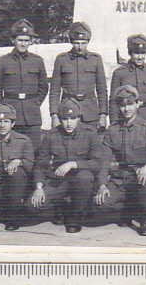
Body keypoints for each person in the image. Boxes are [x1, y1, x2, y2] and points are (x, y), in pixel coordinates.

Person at [94, 85, 146, 236]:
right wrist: (102, 185)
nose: (127, 109)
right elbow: (104, 161)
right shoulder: (112, 130)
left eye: (130, 104)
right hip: (121, 177)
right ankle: (127, 210)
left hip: (141, 175)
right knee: (101, 204)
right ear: (118, 106)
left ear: (137, 104)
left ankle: (145, 218)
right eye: (123, 105)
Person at [30, 98, 102, 233]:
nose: (69, 123)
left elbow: (97, 162)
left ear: (79, 118)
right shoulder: (52, 135)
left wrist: (73, 164)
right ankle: (60, 207)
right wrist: (39, 186)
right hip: (59, 181)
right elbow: (40, 165)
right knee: (32, 206)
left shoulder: (90, 133)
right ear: (60, 119)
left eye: (73, 118)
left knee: (84, 178)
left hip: (81, 180)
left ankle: (75, 216)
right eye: (65, 119)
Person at [0, 19, 48, 151]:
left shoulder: (37, 61)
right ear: (13, 40)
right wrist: (4, 108)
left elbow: (43, 87)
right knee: (11, 150)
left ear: (31, 41)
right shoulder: (3, 62)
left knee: (34, 150)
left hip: (32, 112)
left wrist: (35, 103)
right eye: (20, 40)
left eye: (26, 40)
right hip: (11, 111)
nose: (23, 44)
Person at [49, 22, 108, 131]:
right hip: (68, 109)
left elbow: (102, 90)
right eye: (77, 43)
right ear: (71, 42)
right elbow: (55, 90)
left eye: (83, 43)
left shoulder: (95, 59)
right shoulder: (62, 59)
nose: (80, 47)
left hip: (90, 110)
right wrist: (54, 115)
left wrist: (103, 114)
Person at [109, 34, 146, 126]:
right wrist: (114, 123)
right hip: (125, 117)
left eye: (143, 53)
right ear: (130, 53)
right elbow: (113, 101)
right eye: (136, 53)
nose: (140, 57)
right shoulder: (120, 73)